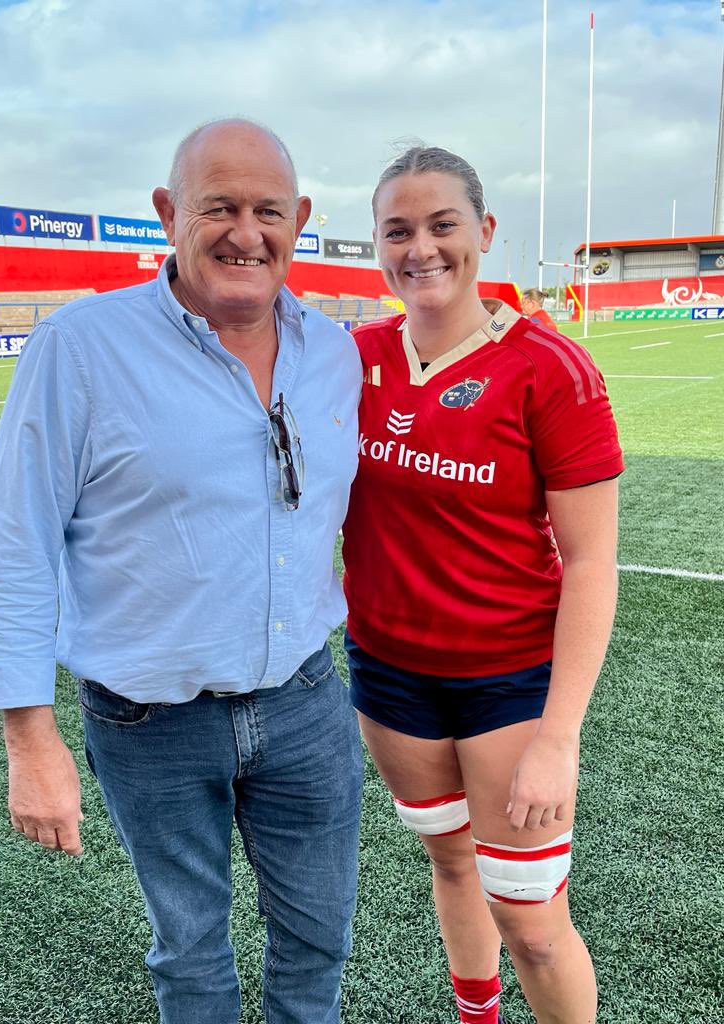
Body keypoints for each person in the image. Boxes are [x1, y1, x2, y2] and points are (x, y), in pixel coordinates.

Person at [0, 119, 364, 1024]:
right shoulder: (82, 349)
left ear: (299, 219)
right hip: (150, 724)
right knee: (190, 952)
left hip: (305, 705)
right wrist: (29, 741)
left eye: (267, 210)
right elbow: (16, 542)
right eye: (218, 206)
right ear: (167, 213)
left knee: (321, 939)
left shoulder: (335, 354)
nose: (245, 232)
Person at [342, 146, 623, 1024]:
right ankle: (477, 1015)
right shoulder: (351, 358)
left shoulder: (551, 369)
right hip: (387, 674)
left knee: (533, 922)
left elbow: (590, 563)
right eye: (398, 230)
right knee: (451, 862)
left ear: (486, 233)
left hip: (509, 681)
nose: (420, 248)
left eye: (441, 225)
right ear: (378, 246)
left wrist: (560, 738)